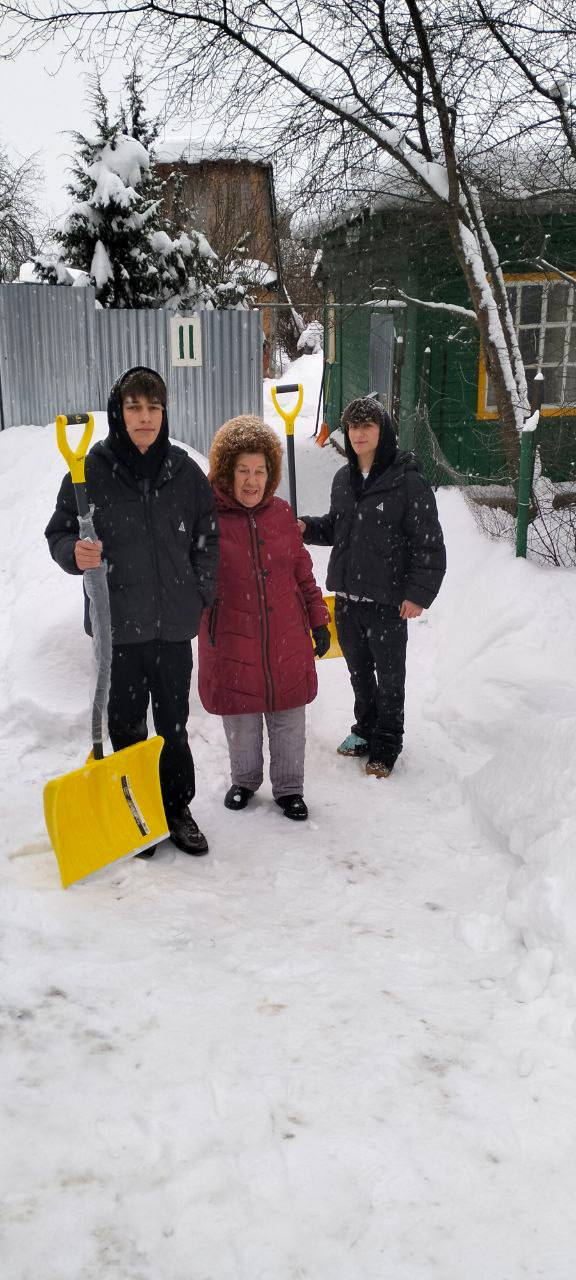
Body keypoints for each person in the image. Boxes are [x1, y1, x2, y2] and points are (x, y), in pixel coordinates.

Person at [45, 365, 219, 855]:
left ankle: (176, 807)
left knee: (174, 726)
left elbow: (208, 538)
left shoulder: (184, 473)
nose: (146, 418)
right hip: (118, 627)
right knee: (126, 725)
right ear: (118, 414)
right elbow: (59, 533)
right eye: (135, 408)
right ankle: (134, 810)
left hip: (171, 628)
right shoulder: (89, 472)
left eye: (154, 407)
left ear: (165, 412)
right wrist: (72, 554)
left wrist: (198, 593)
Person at [298, 397, 446, 778]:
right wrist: (306, 528)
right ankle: (364, 730)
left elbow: (428, 544)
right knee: (359, 673)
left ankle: (387, 743)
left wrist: (417, 594)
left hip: (387, 602)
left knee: (390, 677)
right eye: (353, 427)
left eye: (367, 426)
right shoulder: (342, 480)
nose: (359, 433)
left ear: (383, 431)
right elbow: (337, 526)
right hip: (347, 600)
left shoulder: (408, 482)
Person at [197, 415, 330, 821]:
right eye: (242, 471)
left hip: (286, 636)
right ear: (226, 473)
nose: (252, 481)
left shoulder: (281, 514)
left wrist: (319, 619)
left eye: (260, 471)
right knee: (242, 721)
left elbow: (302, 572)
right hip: (233, 638)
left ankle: (289, 789)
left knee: (289, 717)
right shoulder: (208, 520)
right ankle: (245, 780)